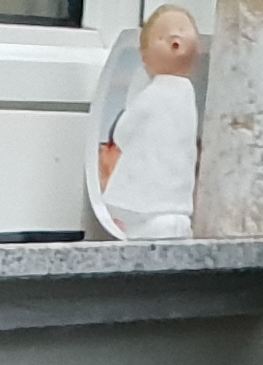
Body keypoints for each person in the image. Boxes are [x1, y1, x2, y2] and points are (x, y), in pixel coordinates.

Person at [100, 8, 203, 241]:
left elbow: (125, 130)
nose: (176, 38)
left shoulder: (155, 92)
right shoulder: (187, 94)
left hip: (151, 199)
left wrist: (122, 133)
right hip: (177, 200)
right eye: (163, 36)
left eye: (182, 31)